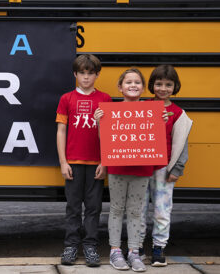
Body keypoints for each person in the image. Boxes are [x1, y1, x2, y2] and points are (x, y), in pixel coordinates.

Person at [94, 67, 167, 272]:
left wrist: (161, 122)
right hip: (117, 167)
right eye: (128, 82)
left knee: (135, 211)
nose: (133, 85)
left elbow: (154, 137)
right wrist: (99, 122)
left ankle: (134, 251)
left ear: (143, 88)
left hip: (142, 167)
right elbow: (104, 141)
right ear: (120, 87)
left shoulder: (152, 111)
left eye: (137, 82)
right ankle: (115, 251)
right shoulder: (110, 111)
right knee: (117, 209)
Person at [56, 54, 112, 267]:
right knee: (72, 207)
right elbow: (61, 131)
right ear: (75, 74)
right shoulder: (67, 99)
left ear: (97, 75)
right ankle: (70, 245)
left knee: (93, 207)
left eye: (90, 73)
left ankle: (90, 246)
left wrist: (105, 161)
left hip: (96, 163)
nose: (86, 77)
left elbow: (109, 133)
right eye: (82, 73)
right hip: (73, 162)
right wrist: (63, 162)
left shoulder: (105, 99)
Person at [139, 65, 193, 266]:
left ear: (175, 86)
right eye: (158, 84)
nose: (163, 88)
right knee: (138, 209)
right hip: (140, 168)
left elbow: (182, 143)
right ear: (152, 85)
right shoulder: (142, 106)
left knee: (162, 210)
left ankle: (158, 247)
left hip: (163, 168)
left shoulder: (178, 113)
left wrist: (176, 169)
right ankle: (136, 247)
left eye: (168, 85)